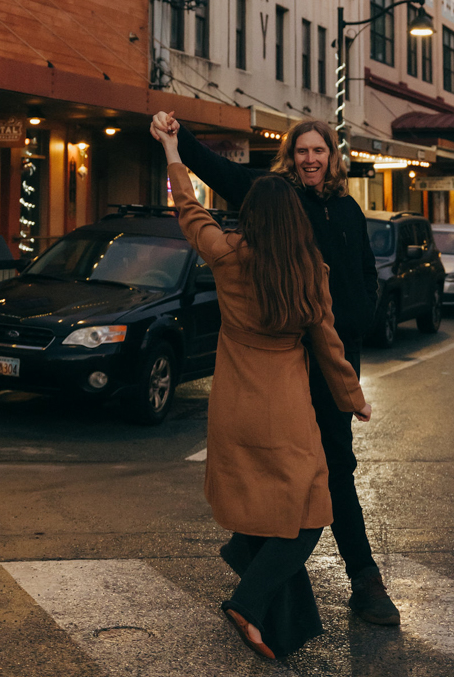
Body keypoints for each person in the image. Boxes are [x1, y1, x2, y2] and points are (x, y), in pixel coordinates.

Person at [151, 111, 401, 626]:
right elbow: (213, 173)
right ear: (291, 156)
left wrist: (361, 320)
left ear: (333, 157)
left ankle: (360, 579)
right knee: (293, 470)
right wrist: (179, 139)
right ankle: (268, 557)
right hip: (288, 365)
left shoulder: (350, 210)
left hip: (333, 353)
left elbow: (364, 276)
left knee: (336, 468)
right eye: (303, 150)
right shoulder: (272, 194)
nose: (311, 159)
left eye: (320, 150)